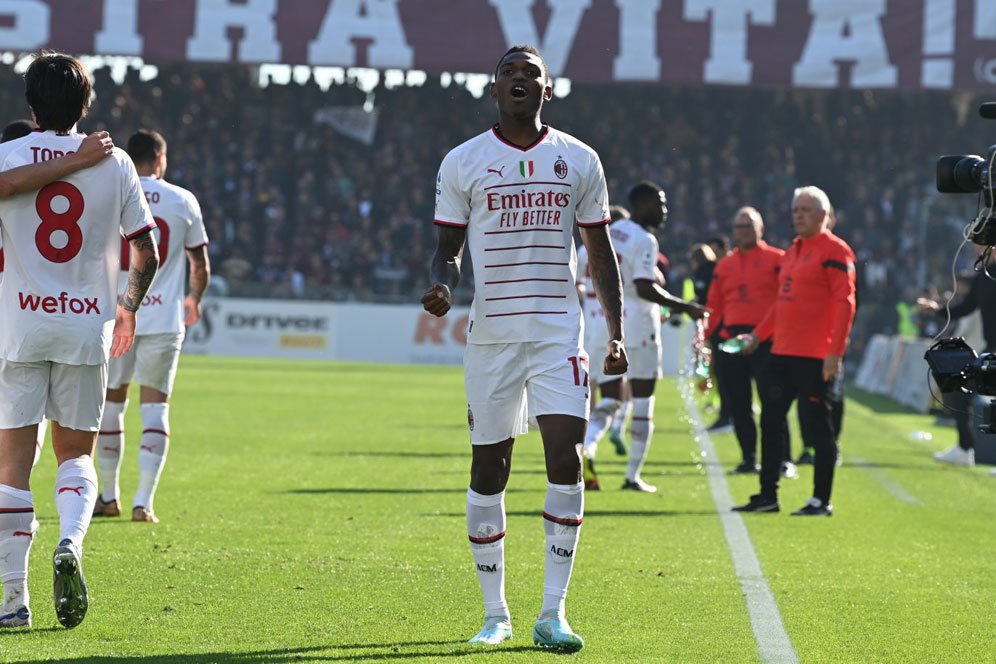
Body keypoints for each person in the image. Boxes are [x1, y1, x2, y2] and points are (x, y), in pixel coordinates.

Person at [421, 45, 627, 652]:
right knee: (490, 471)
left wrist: (613, 332)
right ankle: (495, 614)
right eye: (509, 72)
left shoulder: (579, 159)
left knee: (565, 461)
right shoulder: (463, 161)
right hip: (491, 338)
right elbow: (447, 248)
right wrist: (442, 283)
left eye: (529, 73)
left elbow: (600, 254)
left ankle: (552, 613)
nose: (519, 80)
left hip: (559, 333)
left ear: (548, 90)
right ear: (494, 88)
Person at [0, 53, 159, 630]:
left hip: (18, 324)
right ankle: (70, 543)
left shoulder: (8, 156)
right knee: (76, 455)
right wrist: (127, 310)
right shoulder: (114, 163)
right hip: (85, 325)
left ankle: (13, 600)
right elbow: (147, 250)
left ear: (30, 104)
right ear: (86, 105)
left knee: (11, 469)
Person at [93, 130, 210, 523]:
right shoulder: (184, 200)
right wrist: (194, 298)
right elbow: (200, 265)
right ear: (161, 157)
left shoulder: (113, 191)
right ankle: (144, 502)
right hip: (163, 320)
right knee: (155, 405)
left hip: (118, 314)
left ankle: (109, 496)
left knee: (113, 402)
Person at [733, 186, 856, 516]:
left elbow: (845, 303)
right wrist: (757, 337)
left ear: (824, 215)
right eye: (795, 209)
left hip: (815, 357)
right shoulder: (794, 250)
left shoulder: (835, 250)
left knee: (818, 427)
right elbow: (780, 304)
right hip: (782, 353)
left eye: (806, 209)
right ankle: (768, 495)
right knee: (771, 424)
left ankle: (821, 500)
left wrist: (835, 353)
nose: (798, 214)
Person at [590, 181, 707, 494]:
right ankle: (632, 477)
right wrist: (687, 306)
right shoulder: (644, 239)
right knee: (643, 401)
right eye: (660, 204)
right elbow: (644, 287)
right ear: (642, 205)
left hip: (608, 324)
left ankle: (586, 447)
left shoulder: (612, 231)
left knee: (611, 398)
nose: (664, 211)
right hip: (639, 326)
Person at [705, 207, 792, 475]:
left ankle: (783, 460)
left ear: (760, 229)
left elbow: (784, 300)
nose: (743, 231)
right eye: (738, 227)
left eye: (748, 226)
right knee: (738, 404)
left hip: (766, 339)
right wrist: (709, 337)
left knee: (773, 402)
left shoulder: (778, 259)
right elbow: (715, 304)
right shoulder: (725, 265)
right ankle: (748, 459)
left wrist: (762, 334)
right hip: (731, 341)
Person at [920, 247, 996, 469]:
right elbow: (966, 307)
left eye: (981, 242)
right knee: (954, 383)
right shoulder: (984, 275)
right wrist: (937, 310)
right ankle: (964, 448)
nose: (976, 248)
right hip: (991, 347)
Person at [577, 205, 630, 491]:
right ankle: (590, 445)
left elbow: (575, 288)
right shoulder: (622, 249)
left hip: (585, 327)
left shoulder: (583, 251)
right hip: (608, 328)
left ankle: (580, 452)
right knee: (613, 400)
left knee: (586, 400)